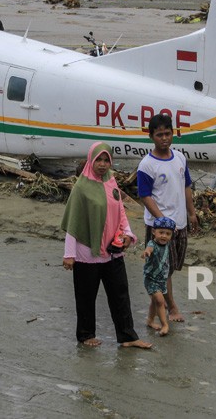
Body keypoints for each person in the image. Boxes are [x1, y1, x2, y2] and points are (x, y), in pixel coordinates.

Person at [61, 142, 152, 349]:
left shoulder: (111, 182)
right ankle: (85, 335)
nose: (102, 165)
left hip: (112, 251)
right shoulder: (81, 188)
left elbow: (120, 212)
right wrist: (69, 254)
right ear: (91, 160)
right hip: (86, 252)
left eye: (106, 160)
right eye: (98, 160)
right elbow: (73, 223)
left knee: (120, 294)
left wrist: (128, 234)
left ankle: (128, 336)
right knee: (85, 296)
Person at [136, 113, 199, 323]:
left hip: (179, 223)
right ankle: (171, 308)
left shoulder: (180, 158)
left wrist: (191, 213)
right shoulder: (147, 165)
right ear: (151, 136)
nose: (164, 138)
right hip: (160, 227)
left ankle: (155, 307)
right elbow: (144, 195)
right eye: (159, 134)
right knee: (163, 269)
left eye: (167, 133)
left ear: (173, 133)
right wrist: (162, 222)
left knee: (171, 266)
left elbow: (186, 186)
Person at [142, 216, 174, 337]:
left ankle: (150, 320)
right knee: (160, 301)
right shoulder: (152, 244)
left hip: (162, 279)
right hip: (151, 278)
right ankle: (165, 324)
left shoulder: (167, 244)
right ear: (153, 232)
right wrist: (147, 252)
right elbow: (149, 248)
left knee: (154, 301)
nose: (164, 236)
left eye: (167, 234)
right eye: (161, 232)